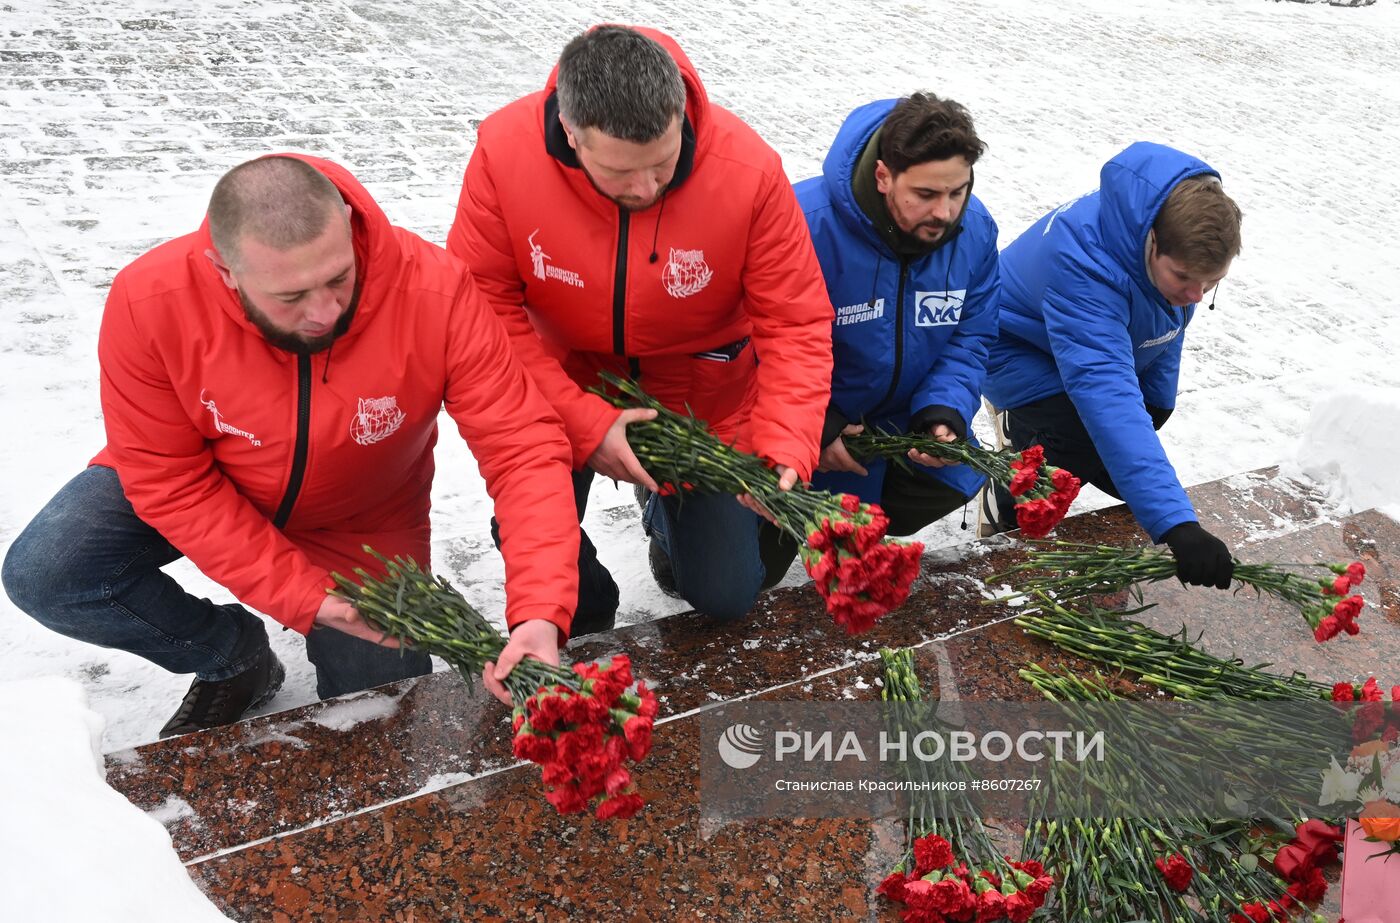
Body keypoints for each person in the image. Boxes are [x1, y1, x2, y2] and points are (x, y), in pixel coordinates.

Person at [1, 154, 581, 737]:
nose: (325, 313)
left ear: (350, 225)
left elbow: (521, 446)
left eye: (338, 278)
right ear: (225, 271)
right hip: (205, 477)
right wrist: (306, 598)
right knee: (49, 573)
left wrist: (539, 611)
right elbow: (167, 478)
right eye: (291, 296)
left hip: (359, 520)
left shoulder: (435, 288)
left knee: (382, 709)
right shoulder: (149, 300)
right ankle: (232, 656)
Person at [447, 25, 833, 627]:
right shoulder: (504, 153)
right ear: (571, 135)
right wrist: (584, 422)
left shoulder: (748, 170)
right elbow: (481, 306)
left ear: (681, 115)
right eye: (621, 174)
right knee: (564, 595)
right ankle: (592, 598)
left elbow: (796, 320)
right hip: (558, 383)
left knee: (726, 597)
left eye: (663, 163)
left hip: (699, 395)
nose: (648, 188)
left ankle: (662, 511)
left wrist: (786, 437)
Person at [981, 141, 1242, 588]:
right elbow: (1106, 397)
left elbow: (1164, 323)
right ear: (1152, 240)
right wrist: (1177, 526)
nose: (1197, 294)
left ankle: (1036, 438)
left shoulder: (1173, 233)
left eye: (1210, 282)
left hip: (1081, 344)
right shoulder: (1086, 266)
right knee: (1074, 444)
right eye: (1184, 278)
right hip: (1014, 346)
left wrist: (1158, 402)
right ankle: (1003, 500)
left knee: (1124, 448)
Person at [775, 93, 999, 568]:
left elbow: (969, 337)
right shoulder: (802, 223)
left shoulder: (975, 232)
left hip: (895, 416)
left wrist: (943, 409)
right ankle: (670, 515)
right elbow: (752, 343)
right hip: (801, 414)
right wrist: (816, 424)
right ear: (883, 176)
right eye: (925, 195)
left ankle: (868, 498)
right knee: (749, 575)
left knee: (950, 477)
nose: (945, 212)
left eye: (958, 192)